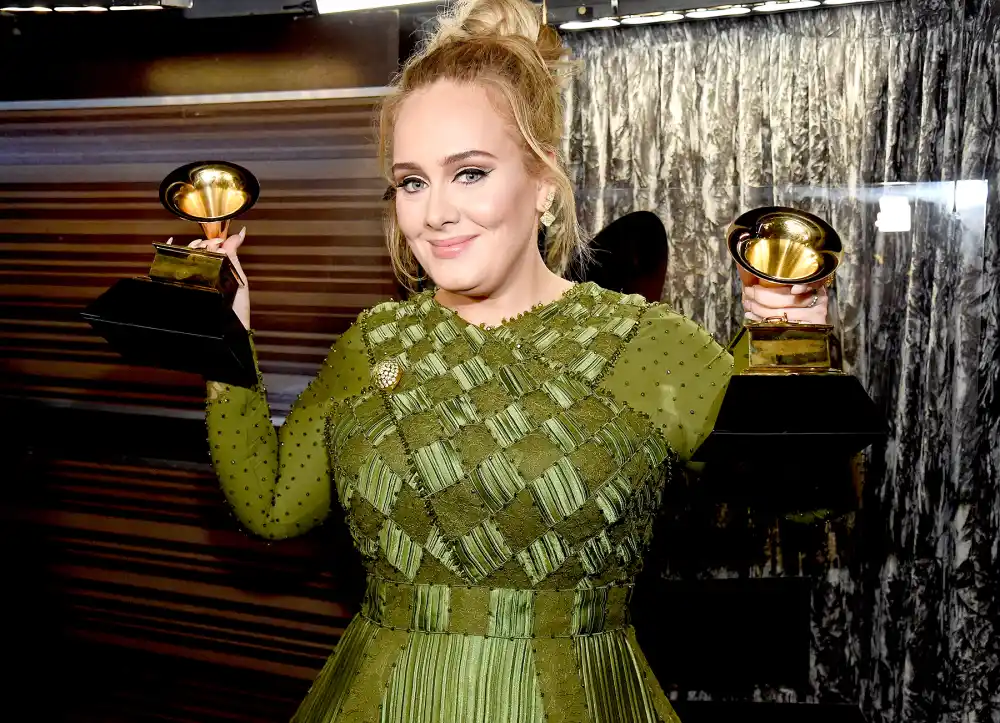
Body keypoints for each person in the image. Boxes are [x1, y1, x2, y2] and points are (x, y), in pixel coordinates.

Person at [196, 1, 829, 720]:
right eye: (411, 181)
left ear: (542, 180)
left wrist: (789, 350)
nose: (434, 213)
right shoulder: (372, 346)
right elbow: (273, 505)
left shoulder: (646, 344)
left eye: (468, 173)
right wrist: (222, 336)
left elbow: (801, 497)